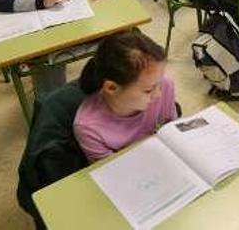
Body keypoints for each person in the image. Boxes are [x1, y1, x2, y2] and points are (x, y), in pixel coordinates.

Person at [73, 31, 178, 162]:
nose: (158, 94)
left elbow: (174, 131)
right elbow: (111, 171)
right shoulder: (88, 127)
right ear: (111, 88)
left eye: (159, 81)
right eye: (148, 90)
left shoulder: (165, 86)